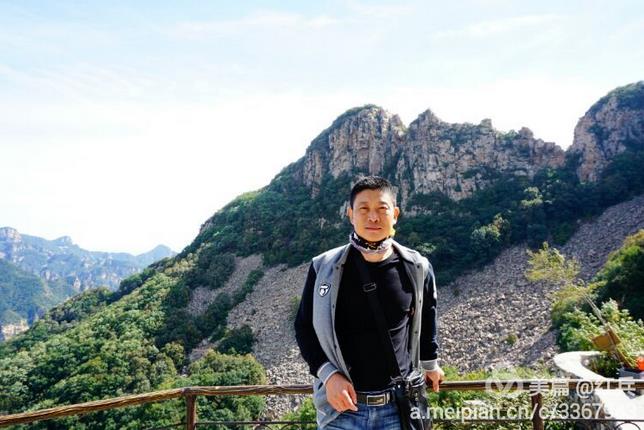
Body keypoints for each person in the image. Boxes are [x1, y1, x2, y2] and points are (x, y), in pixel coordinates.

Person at [294, 176, 444, 429]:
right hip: (341, 410)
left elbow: (427, 316)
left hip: (398, 409)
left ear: (395, 214)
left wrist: (430, 364)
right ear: (350, 214)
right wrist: (329, 376)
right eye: (363, 209)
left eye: (382, 209)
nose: (373, 217)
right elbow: (304, 327)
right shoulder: (323, 267)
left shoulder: (417, 267)